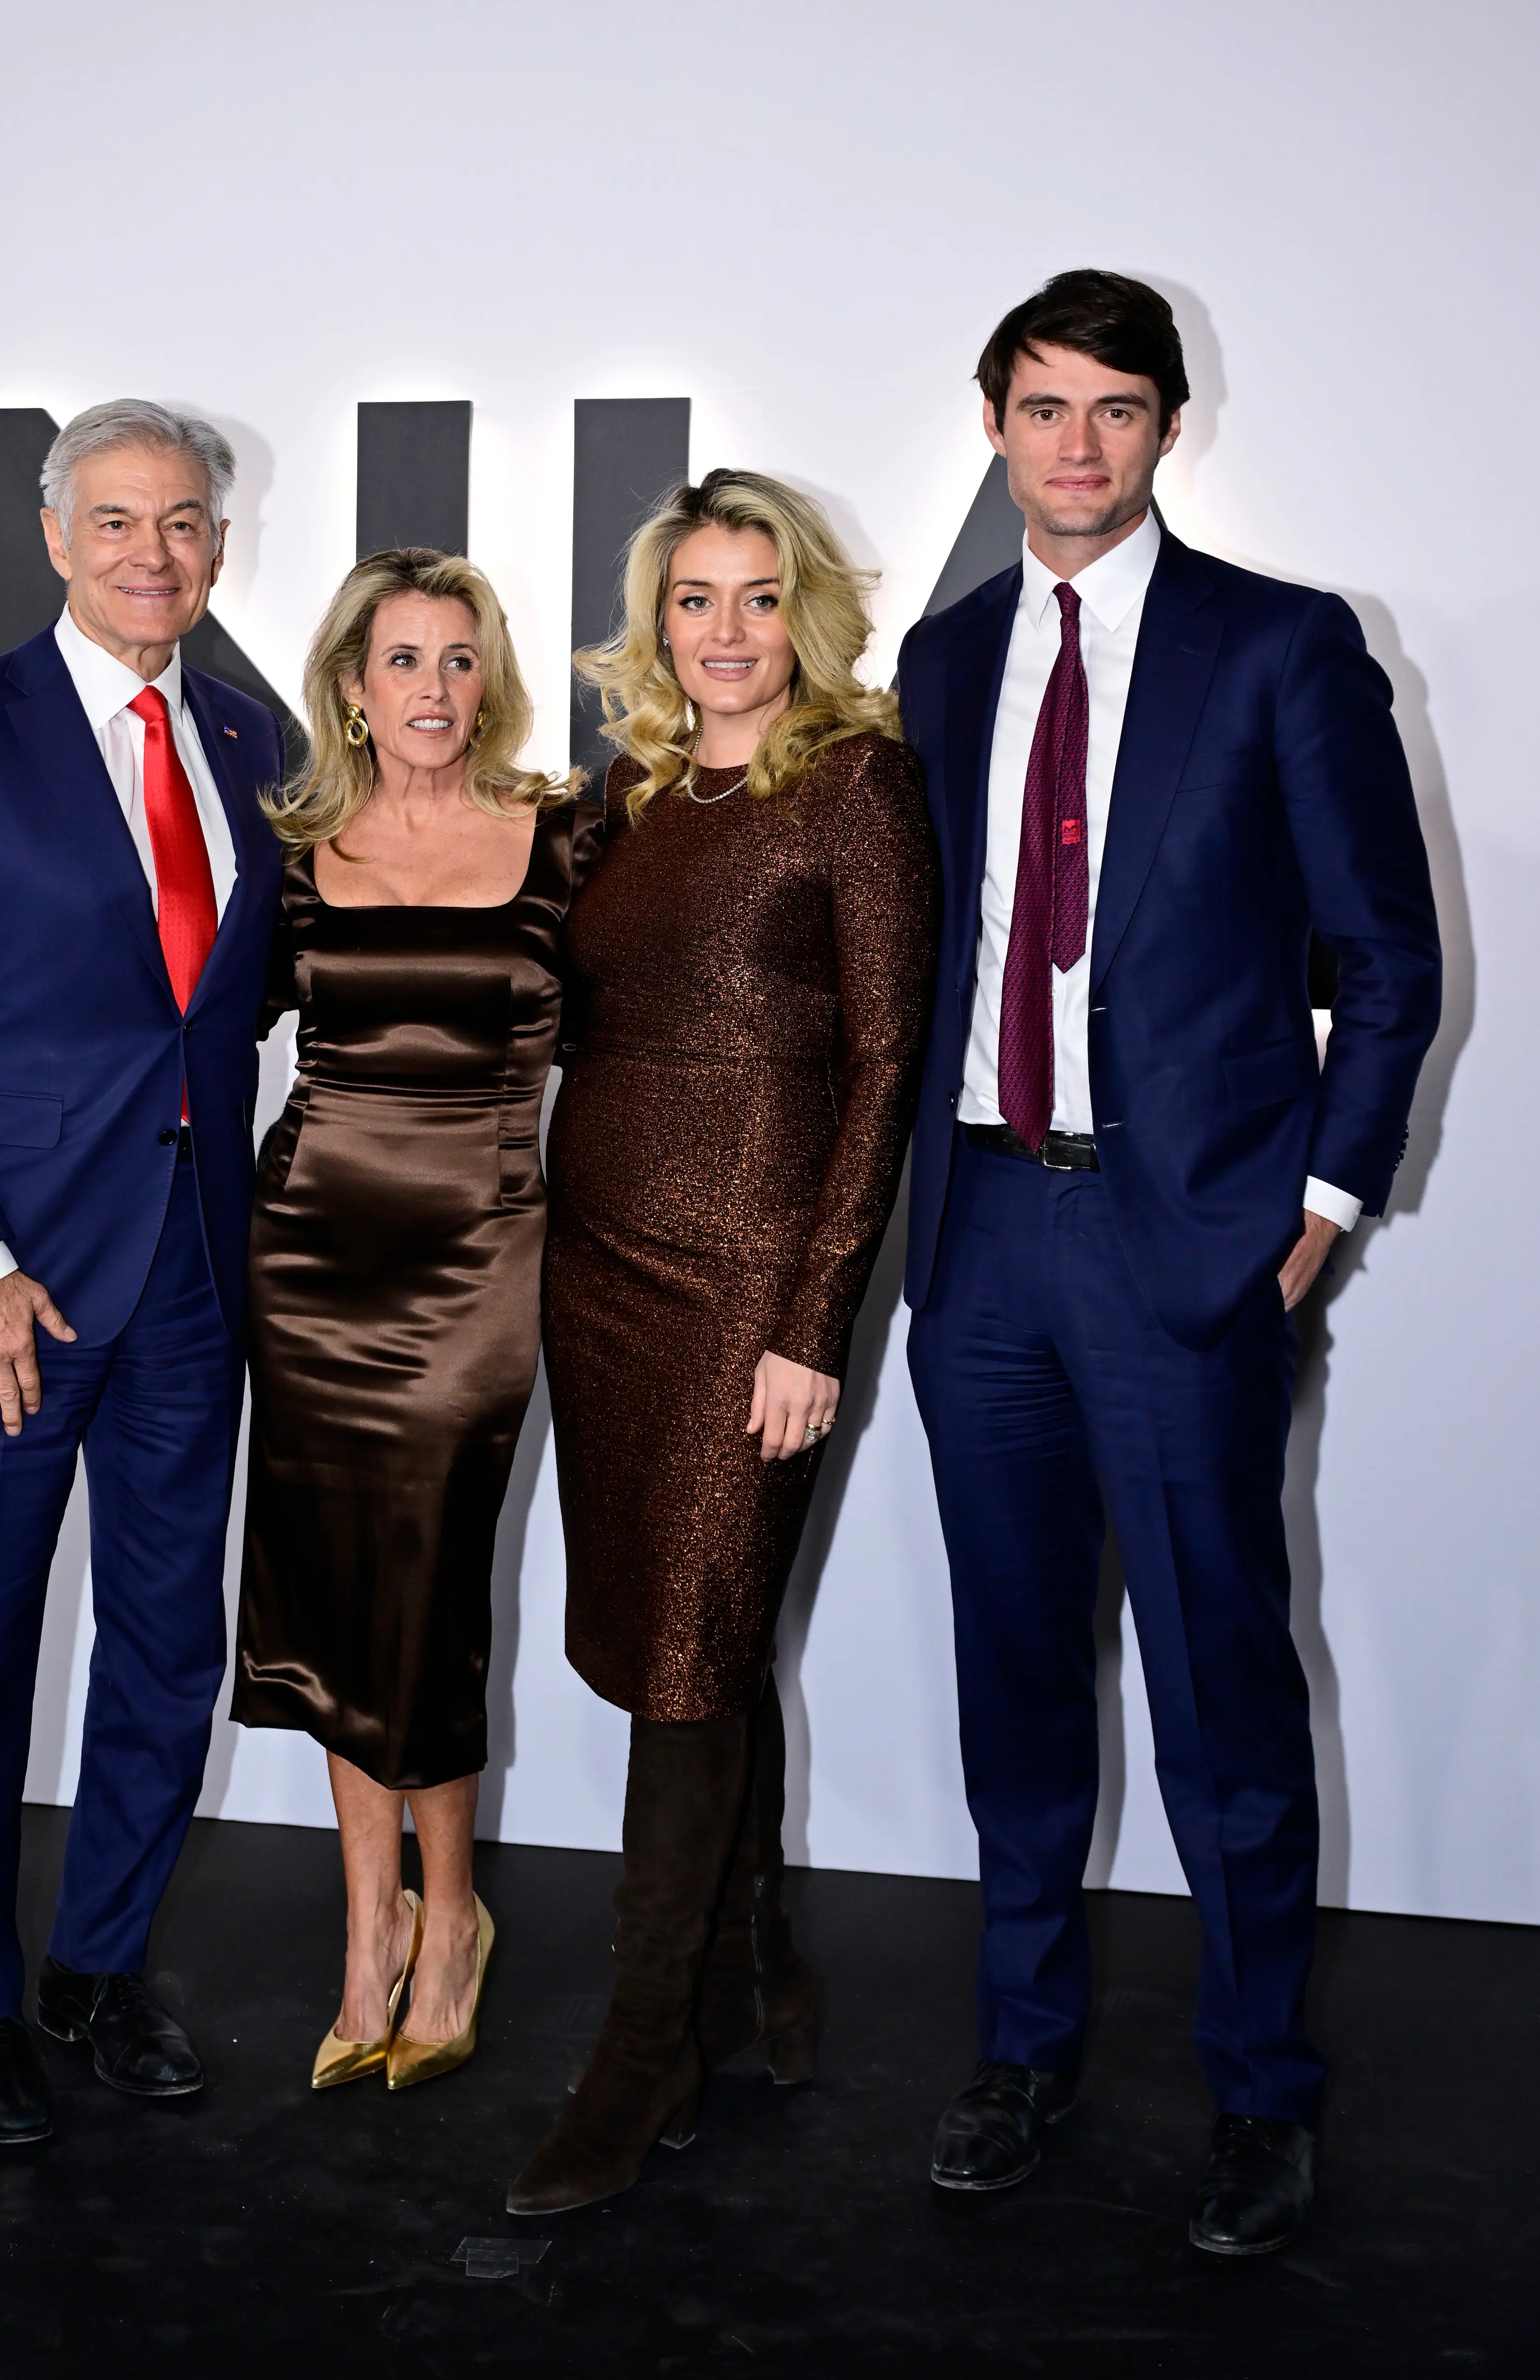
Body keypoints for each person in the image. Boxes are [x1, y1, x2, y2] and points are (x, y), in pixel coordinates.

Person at [897, 272, 1443, 2254]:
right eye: (1043, 406)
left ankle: (1261, 2090)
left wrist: (1323, 1203)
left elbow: (1387, 959)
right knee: (1014, 1675)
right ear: (992, 424)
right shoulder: (945, 659)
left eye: (1115, 408)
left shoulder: (1282, 645)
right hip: (979, 1235)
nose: (1077, 443)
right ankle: (1023, 2046)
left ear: (1167, 429)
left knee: (1220, 1685)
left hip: (1187, 1238)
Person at [0, 400, 286, 2145]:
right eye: (116, 521)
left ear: (218, 548)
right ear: (52, 537)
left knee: (171, 1648)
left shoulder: (249, 738)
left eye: (181, 523)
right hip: (6, 1294)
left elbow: (233, 1005)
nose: (150, 554)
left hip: (191, 1277)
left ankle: (98, 1970)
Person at [507, 471, 940, 2215]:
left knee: (688, 1649)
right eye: (696, 600)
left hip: (753, 1284)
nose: (728, 631)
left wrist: (812, 1319)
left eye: (760, 597)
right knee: (684, 1633)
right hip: (601, 1265)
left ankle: (643, 2049)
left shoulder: (858, 785)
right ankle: (758, 1982)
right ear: (657, 620)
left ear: (805, 612)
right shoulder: (621, 795)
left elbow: (887, 1069)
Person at [231, 549, 594, 2091]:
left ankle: (453, 1921)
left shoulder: (568, 837)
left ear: (488, 678)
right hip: (311, 1252)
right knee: (330, 1589)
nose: (434, 687)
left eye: (460, 657)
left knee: (428, 1589)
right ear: (352, 687)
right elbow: (186, 1025)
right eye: (403, 660)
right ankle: (365, 1925)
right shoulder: (290, 853)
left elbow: (649, 1041)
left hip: (481, 1253)